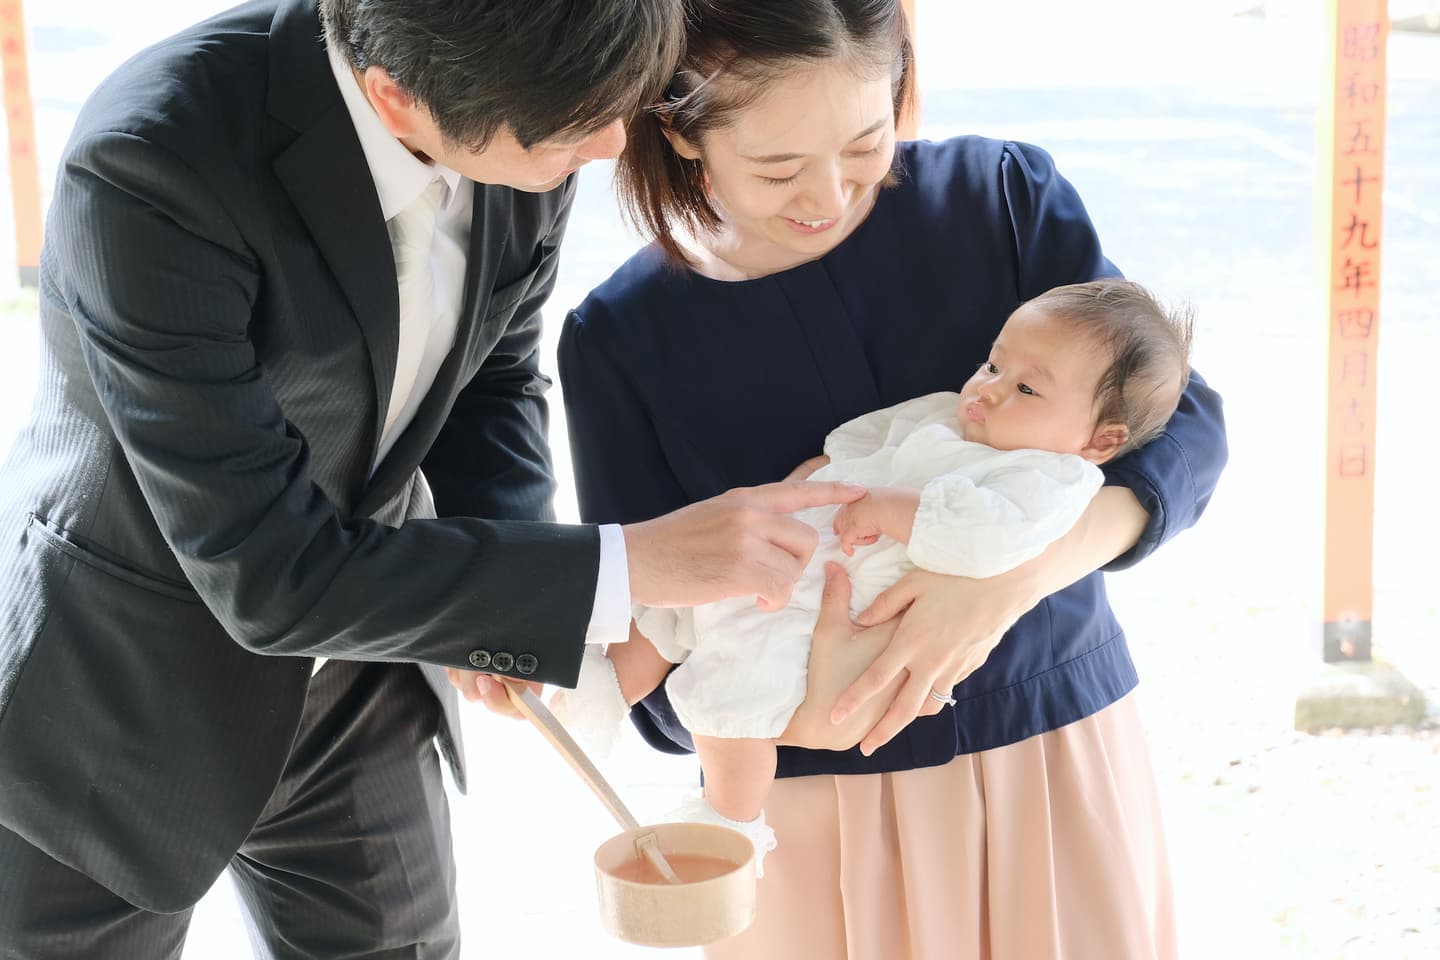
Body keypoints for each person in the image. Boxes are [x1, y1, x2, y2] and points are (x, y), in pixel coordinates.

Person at [0, 1, 869, 956]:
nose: (611, 143)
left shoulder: (545, 95)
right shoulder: (152, 165)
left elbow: (491, 378)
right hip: (127, 686)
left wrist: (502, 606)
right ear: (395, 98)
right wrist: (627, 566)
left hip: (365, 675)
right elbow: (267, 574)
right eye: (578, 128)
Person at [557, 0, 1228, 956]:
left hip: (1045, 744)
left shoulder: (998, 196)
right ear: (678, 129)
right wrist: (804, 711)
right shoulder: (620, 337)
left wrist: (1003, 585)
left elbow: (1181, 426)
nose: (828, 196)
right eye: (778, 168)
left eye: (867, 142)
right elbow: (658, 646)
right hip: (804, 809)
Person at [562, 279, 1193, 869]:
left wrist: (891, 508)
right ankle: (595, 692)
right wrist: (825, 466)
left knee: (735, 693)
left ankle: (730, 821)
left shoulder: (1050, 478)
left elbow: (985, 541)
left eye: (1028, 390)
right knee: (669, 609)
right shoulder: (950, 413)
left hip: (828, 607)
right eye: (994, 364)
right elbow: (867, 435)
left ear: (1100, 441)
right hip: (804, 542)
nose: (989, 390)